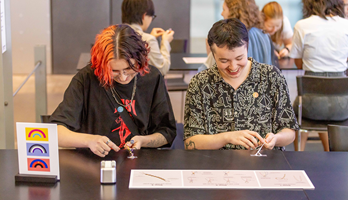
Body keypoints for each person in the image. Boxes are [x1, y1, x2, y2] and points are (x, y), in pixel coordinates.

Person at [49, 24, 176, 157]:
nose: (123, 77)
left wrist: (143, 141)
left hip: (140, 163)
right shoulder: (86, 80)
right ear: (101, 65)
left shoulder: (152, 78)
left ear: (141, 60)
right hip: (95, 164)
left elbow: (167, 132)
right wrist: (89, 141)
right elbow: (55, 132)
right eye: (114, 71)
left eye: (129, 69)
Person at [184, 18, 299, 150]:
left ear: (247, 47)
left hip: (264, 164)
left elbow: (289, 131)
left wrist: (276, 138)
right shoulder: (200, 83)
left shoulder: (271, 77)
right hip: (217, 165)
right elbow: (190, 143)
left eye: (239, 58)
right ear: (212, 54)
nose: (233, 67)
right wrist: (226, 137)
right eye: (224, 60)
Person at [289, 0, 348, 151]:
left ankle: (298, 156)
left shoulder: (302, 25)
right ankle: (330, 153)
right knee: (325, 110)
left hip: (311, 105)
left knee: (298, 110)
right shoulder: (346, 25)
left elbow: (298, 63)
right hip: (342, 106)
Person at [201, 0, 275, 71]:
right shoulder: (264, 34)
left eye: (224, 9)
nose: (221, 13)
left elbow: (208, 70)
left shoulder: (233, 38)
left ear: (233, 12)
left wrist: (212, 51)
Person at [121, 0, 175, 76]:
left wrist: (151, 37)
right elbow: (162, 70)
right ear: (144, 16)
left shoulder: (116, 35)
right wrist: (165, 42)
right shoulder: (148, 40)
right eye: (152, 17)